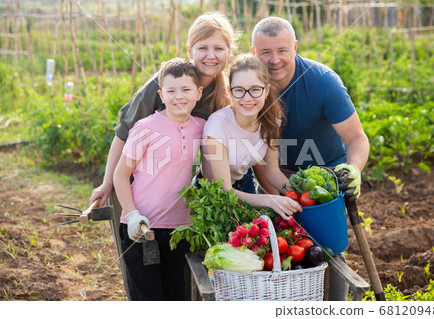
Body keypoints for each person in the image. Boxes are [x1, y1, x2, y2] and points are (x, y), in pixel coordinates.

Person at [251, 17, 370, 300]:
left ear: (295, 47)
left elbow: (356, 138)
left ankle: (333, 302)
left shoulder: (322, 83)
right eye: (265, 52)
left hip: (326, 176)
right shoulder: (249, 87)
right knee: (281, 251)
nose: (274, 60)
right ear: (254, 53)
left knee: (327, 249)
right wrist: (286, 195)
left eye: (282, 50)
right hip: (275, 172)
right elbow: (260, 162)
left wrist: (352, 169)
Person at [90, 12, 244, 207]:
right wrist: (107, 182)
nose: (211, 55)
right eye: (203, 48)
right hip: (134, 184)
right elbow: (123, 134)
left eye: (219, 48)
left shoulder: (224, 95)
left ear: (229, 53)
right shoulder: (167, 82)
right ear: (190, 51)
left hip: (173, 192)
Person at [113, 58, 205, 300]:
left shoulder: (202, 127)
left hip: (180, 230)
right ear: (161, 95)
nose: (178, 96)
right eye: (171, 91)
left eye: (186, 89)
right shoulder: (145, 128)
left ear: (199, 93)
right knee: (148, 299)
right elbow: (121, 174)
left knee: (177, 297)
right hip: (142, 227)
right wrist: (132, 214)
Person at [201, 54, 302, 220]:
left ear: (266, 90)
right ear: (230, 91)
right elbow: (224, 190)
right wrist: (270, 200)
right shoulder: (217, 126)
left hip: (244, 184)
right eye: (239, 90)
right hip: (213, 197)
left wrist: (299, 194)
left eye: (255, 89)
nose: (247, 98)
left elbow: (272, 172)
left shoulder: (270, 119)